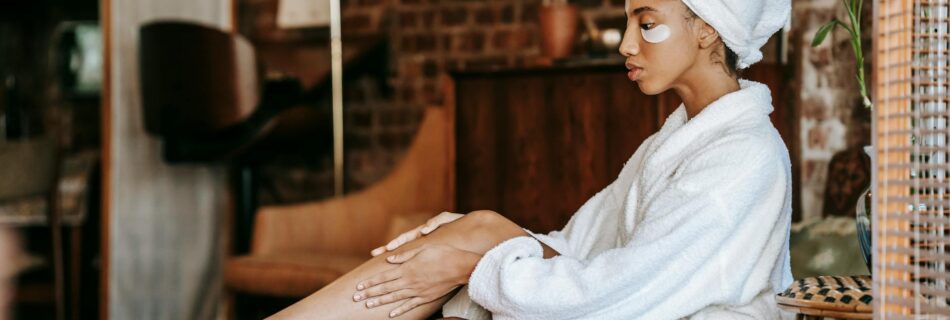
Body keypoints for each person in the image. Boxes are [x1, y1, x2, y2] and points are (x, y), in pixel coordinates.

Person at [270, 0, 792, 318]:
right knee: (477, 228)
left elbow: (624, 294)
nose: (626, 44)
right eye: (628, 22)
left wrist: (470, 265)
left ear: (707, 30)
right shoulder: (678, 139)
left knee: (473, 253)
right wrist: (471, 241)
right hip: (626, 298)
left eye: (647, 23)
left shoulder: (742, 157)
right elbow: (580, 246)